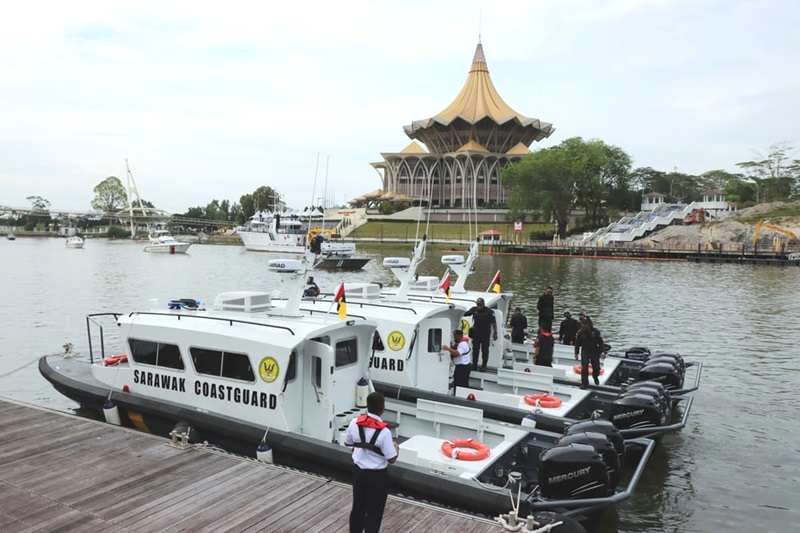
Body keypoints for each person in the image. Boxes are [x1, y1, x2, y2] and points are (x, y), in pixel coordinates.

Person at [345, 392, 398, 533]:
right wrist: (396, 448)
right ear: (382, 408)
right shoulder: (384, 432)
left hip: (358, 473)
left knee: (358, 508)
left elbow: (348, 442)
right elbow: (391, 459)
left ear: (367, 405)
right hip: (377, 476)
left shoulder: (354, 423)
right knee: (374, 512)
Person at [463, 298, 497, 371]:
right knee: (475, 350)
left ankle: (484, 366)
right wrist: (468, 312)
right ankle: (474, 365)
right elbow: (466, 314)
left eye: (480, 304)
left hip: (485, 334)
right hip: (476, 334)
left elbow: (494, 323)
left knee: (485, 351)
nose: (479, 306)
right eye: (478, 304)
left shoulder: (489, 311)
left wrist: (495, 333)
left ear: (483, 304)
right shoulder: (474, 309)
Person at [574, 316, 606, 389]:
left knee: (596, 367)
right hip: (585, 351)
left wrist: (602, 352)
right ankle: (584, 383)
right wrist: (576, 353)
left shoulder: (595, 331)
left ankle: (595, 376)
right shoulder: (580, 333)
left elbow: (600, 342)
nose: (584, 326)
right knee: (584, 367)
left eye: (586, 324)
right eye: (583, 324)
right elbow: (577, 344)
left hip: (594, 351)